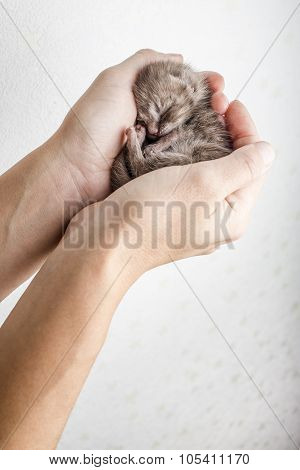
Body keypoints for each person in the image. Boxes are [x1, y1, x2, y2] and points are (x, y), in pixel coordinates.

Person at [0, 49, 274, 449]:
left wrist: (77, 179)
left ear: (187, 87)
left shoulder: (187, 112)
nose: (155, 126)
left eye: (161, 113)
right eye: (147, 116)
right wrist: (117, 234)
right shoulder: (162, 114)